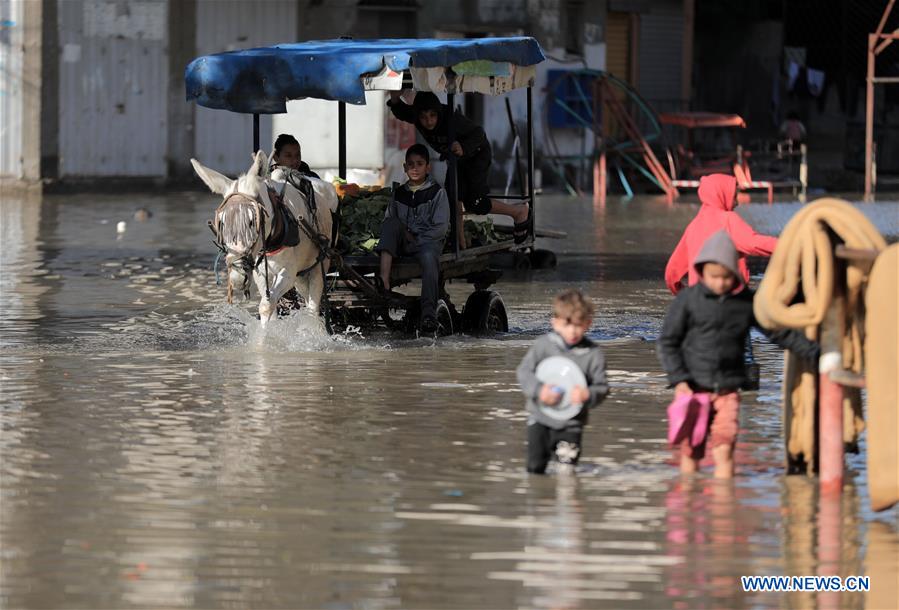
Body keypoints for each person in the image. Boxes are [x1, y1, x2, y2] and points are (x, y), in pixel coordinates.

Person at [657, 231, 819, 478]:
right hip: (692, 389)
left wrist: (815, 352)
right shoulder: (688, 301)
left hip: (728, 390)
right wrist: (679, 380)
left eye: (726, 277)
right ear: (701, 272)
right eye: (713, 277)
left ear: (734, 272)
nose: (720, 283)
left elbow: (776, 333)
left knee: (725, 446)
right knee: (691, 450)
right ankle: (688, 503)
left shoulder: (746, 302)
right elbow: (667, 342)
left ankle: (724, 504)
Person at [387, 90, 531, 248]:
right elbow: (401, 111)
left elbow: (479, 134)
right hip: (456, 160)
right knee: (452, 200)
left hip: (477, 155)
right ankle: (459, 242)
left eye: (432, 116)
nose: (428, 121)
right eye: (423, 117)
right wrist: (395, 97)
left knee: (476, 202)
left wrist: (463, 147)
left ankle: (518, 212)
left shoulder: (451, 119)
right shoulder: (416, 117)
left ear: (438, 113)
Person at [516, 290, 609, 474]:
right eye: (567, 324)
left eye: (578, 325)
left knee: (567, 473)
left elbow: (603, 387)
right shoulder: (543, 345)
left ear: (588, 324)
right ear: (556, 322)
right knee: (535, 469)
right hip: (540, 418)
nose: (573, 331)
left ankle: (567, 500)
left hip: (571, 424)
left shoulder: (593, 354)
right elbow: (524, 371)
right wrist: (539, 390)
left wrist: (588, 394)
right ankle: (538, 501)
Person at [375, 144, 450, 334]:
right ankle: (383, 281)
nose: (414, 168)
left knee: (429, 259)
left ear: (428, 167)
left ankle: (428, 314)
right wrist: (404, 235)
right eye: (410, 165)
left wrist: (418, 239)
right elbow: (389, 220)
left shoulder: (437, 193)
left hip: (427, 243)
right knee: (390, 223)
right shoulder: (399, 193)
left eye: (419, 164)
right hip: (404, 242)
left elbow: (440, 228)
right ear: (404, 168)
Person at [665, 174, 778, 295]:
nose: (737, 203)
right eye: (734, 197)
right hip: (727, 296)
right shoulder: (727, 220)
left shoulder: (694, 225)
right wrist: (791, 243)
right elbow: (755, 243)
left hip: (698, 300)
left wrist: (684, 295)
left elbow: (671, 273)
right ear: (722, 195)